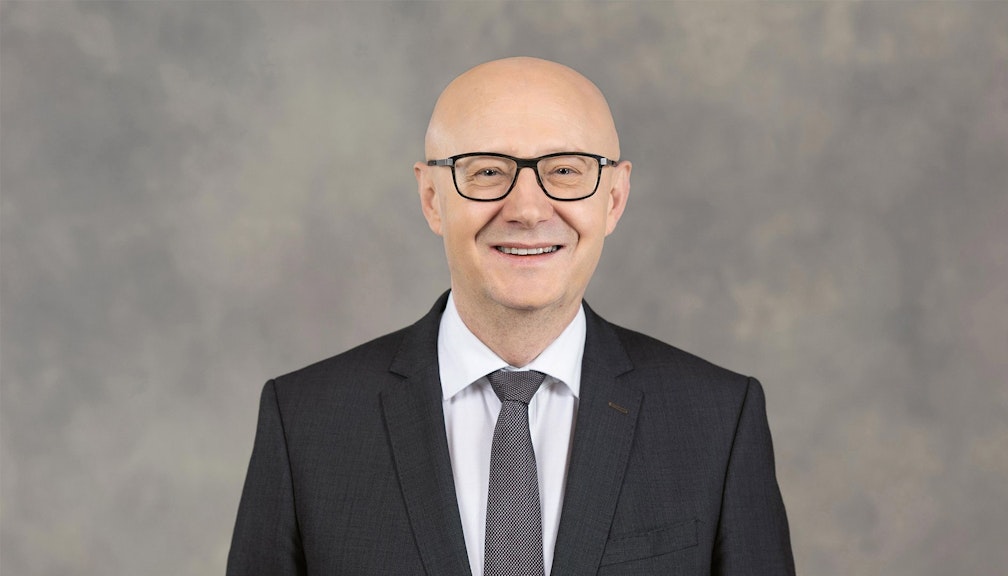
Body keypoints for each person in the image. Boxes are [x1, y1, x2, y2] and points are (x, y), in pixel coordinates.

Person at [227, 57, 795, 576]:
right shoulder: (305, 422)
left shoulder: (719, 420)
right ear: (431, 197)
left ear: (615, 199)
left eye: (567, 171)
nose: (527, 209)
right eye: (487, 171)